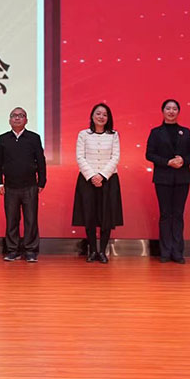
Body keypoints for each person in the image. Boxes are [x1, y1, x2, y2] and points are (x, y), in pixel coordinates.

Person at [145, 99, 190, 264]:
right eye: (168, 108)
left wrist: (183, 160)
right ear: (163, 111)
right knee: (165, 214)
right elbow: (149, 154)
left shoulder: (186, 132)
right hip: (163, 178)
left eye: (174, 109)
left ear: (178, 112)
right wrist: (167, 162)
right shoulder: (156, 132)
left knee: (178, 214)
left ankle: (178, 252)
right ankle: (165, 252)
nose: (171, 111)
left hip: (182, 178)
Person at [0, 107, 47, 262]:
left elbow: (41, 161)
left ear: (26, 120)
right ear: (9, 120)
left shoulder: (34, 138)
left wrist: (41, 181)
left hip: (30, 185)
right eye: (14, 116)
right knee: (12, 220)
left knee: (31, 219)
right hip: (10, 186)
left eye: (20, 116)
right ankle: (12, 250)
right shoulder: (3, 139)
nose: (17, 118)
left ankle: (31, 250)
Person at [72, 103, 123, 264]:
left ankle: (103, 251)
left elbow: (115, 157)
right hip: (87, 180)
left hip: (109, 180)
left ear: (108, 118)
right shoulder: (83, 134)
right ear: (92, 116)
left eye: (105, 114)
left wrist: (102, 175)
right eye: (98, 113)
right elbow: (80, 157)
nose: (101, 117)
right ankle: (93, 250)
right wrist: (93, 176)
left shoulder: (113, 135)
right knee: (89, 215)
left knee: (107, 216)